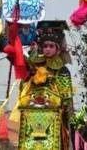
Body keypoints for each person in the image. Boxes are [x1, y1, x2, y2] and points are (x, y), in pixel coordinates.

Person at [17, 20, 73, 150]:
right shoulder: (34, 66)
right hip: (32, 117)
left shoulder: (62, 70)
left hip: (54, 118)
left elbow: (66, 98)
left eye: (51, 46)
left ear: (58, 48)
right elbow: (24, 87)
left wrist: (70, 119)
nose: (47, 49)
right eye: (45, 46)